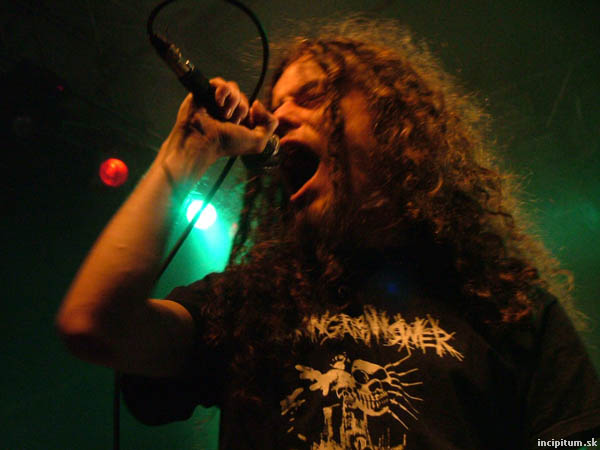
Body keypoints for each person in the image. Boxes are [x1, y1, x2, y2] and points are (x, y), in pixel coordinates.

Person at [56, 18, 599, 450]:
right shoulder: (250, 302)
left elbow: (575, 439)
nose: (279, 116)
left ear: (392, 123)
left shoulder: (506, 307)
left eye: (313, 96)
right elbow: (95, 324)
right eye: (277, 104)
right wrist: (187, 149)